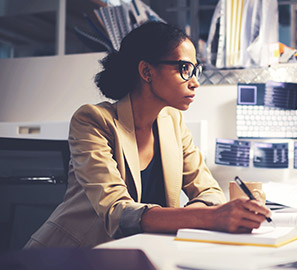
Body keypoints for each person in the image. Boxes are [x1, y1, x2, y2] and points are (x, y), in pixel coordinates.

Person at [25, 21, 271, 248]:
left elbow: (209, 191)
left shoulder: (173, 122)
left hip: (138, 253)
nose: (195, 82)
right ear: (146, 72)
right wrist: (208, 216)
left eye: (196, 69)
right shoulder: (92, 120)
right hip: (70, 256)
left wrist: (200, 215)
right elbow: (117, 212)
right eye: (184, 68)